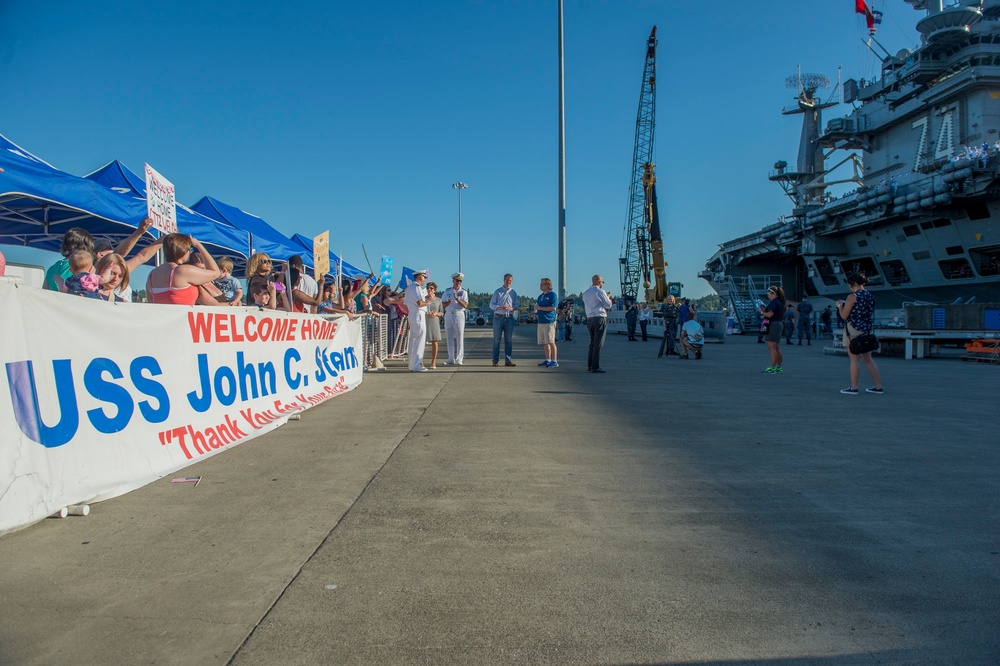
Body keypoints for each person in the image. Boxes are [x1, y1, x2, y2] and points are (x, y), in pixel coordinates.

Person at [837, 272, 884, 395]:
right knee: (868, 359)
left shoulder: (852, 297)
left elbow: (844, 316)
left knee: (854, 359)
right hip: (866, 329)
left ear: (852, 284)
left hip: (853, 329)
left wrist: (840, 306)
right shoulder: (869, 295)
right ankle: (878, 387)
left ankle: (854, 387)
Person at [146, 234, 221, 306]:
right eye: (189, 249)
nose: (190, 252)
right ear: (183, 250)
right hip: (183, 317)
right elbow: (215, 272)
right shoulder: (182, 271)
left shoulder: (152, 275)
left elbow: (151, 303)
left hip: (163, 317)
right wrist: (199, 246)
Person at [582, 274, 613, 373]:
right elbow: (608, 305)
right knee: (598, 343)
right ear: (599, 282)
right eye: (602, 282)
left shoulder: (585, 293)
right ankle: (595, 366)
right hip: (599, 317)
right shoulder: (600, 291)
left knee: (592, 342)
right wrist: (608, 298)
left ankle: (590, 364)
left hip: (590, 318)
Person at [404, 269, 431, 372]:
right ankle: (417, 365)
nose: (424, 280)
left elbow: (406, 304)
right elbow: (420, 303)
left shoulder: (409, 288)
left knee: (413, 340)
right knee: (419, 340)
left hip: (412, 313)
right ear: (420, 277)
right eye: (424, 278)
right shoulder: (417, 288)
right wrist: (427, 303)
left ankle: (412, 364)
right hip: (418, 314)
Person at [490, 273, 518, 367]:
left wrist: (511, 308)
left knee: (508, 340)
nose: (508, 282)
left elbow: (516, 305)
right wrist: (500, 307)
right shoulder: (498, 292)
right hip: (498, 317)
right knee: (497, 340)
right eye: (507, 280)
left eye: (510, 280)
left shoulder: (513, 292)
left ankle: (508, 360)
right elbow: (492, 305)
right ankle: (495, 360)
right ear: (504, 280)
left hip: (509, 317)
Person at [441, 272, 468, 366]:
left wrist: (457, 299)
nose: (458, 283)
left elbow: (465, 305)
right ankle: (450, 358)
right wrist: (447, 303)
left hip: (459, 315)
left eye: (460, 281)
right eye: (457, 281)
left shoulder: (463, 292)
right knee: (449, 337)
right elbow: (442, 304)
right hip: (448, 314)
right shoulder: (447, 291)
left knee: (460, 337)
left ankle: (459, 358)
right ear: (453, 281)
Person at [758, 285, 786, 373]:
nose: (768, 296)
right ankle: (778, 367)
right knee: (777, 347)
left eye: (769, 295)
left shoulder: (774, 302)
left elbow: (770, 315)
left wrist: (762, 311)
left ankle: (772, 367)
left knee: (771, 348)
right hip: (778, 323)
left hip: (773, 324)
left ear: (774, 294)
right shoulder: (779, 302)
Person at [534, 277, 559, 367]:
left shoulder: (553, 295)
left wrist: (540, 308)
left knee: (551, 341)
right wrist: (535, 312)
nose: (540, 286)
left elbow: (553, 308)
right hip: (541, 321)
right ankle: (547, 359)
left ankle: (554, 360)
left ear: (548, 285)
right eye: (540, 284)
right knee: (545, 341)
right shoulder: (540, 296)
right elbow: (537, 307)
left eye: (542, 284)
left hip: (549, 321)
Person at [425, 281, 443, 369]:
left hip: (434, 321)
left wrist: (436, 314)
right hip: (425, 320)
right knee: (422, 341)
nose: (429, 290)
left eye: (431, 288)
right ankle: (420, 361)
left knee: (434, 341)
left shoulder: (438, 300)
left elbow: (442, 312)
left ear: (434, 290)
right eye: (428, 288)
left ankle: (433, 360)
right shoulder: (423, 299)